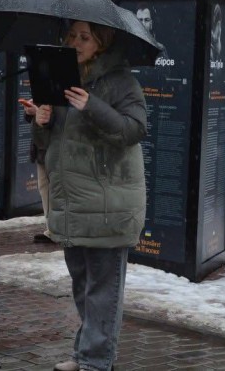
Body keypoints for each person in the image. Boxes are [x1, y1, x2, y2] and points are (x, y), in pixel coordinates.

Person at [33, 20, 147, 371]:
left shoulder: (121, 81)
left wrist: (93, 106)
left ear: (102, 41)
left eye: (85, 38)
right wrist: (42, 121)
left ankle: (97, 362)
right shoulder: (60, 78)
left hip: (107, 202)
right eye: (71, 37)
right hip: (72, 203)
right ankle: (85, 354)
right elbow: (45, 148)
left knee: (103, 290)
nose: (76, 43)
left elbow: (135, 129)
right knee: (83, 285)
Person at [20, 101, 54, 244]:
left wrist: (44, 115)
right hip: (41, 149)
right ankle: (52, 230)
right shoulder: (41, 86)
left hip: (56, 147)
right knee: (44, 189)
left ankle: (60, 230)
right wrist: (29, 112)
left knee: (58, 191)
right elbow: (30, 118)